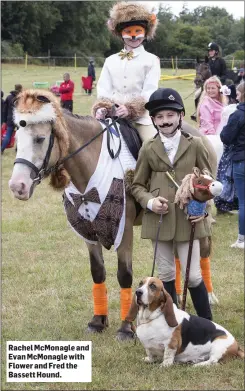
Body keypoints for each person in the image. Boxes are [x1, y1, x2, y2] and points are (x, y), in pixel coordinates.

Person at [131, 87, 213, 320]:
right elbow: (137, 185)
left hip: (190, 219)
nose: (165, 121)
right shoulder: (147, 148)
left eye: (170, 115)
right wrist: (149, 202)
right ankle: (173, 322)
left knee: (194, 276)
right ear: (154, 120)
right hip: (160, 219)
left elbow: (208, 181)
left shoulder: (196, 144)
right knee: (166, 273)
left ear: (180, 116)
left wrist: (203, 210)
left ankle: (207, 325)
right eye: (159, 117)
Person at [95, 1, 161, 142]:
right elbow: (103, 88)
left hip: (141, 119)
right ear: (121, 34)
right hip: (111, 116)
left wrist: (130, 109)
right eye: (128, 32)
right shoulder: (110, 60)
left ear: (145, 33)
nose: (133, 36)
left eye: (138, 31)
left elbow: (149, 91)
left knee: (153, 146)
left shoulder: (151, 60)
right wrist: (103, 107)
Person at [220, 82, 245, 249]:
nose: (236, 95)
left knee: (243, 202)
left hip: (241, 159)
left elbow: (226, 137)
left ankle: (242, 239)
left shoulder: (237, 115)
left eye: (238, 92)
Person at [214, 84, 239, 214]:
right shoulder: (232, 111)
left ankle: (225, 203)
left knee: (227, 178)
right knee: (227, 178)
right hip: (232, 154)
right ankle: (224, 204)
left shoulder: (235, 112)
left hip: (232, 153)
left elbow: (226, 136)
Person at [197, 76, 228, 163]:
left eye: (213, 88)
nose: (210, 91)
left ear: (219, 89)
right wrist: (215, 140)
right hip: (211, 137)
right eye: (208, 88)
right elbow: (207, 123)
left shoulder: (221, 102)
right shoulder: (206, 103)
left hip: (220, 136)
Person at [1, 84, 22, 153]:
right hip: (20, 119)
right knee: (21, 134)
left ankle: (2, 149)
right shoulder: (22, 97)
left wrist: (4, 120)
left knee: (8, 135)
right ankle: (18, 149)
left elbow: (4, 110)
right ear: (21, 89)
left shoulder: (9, 97)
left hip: (10, 118)